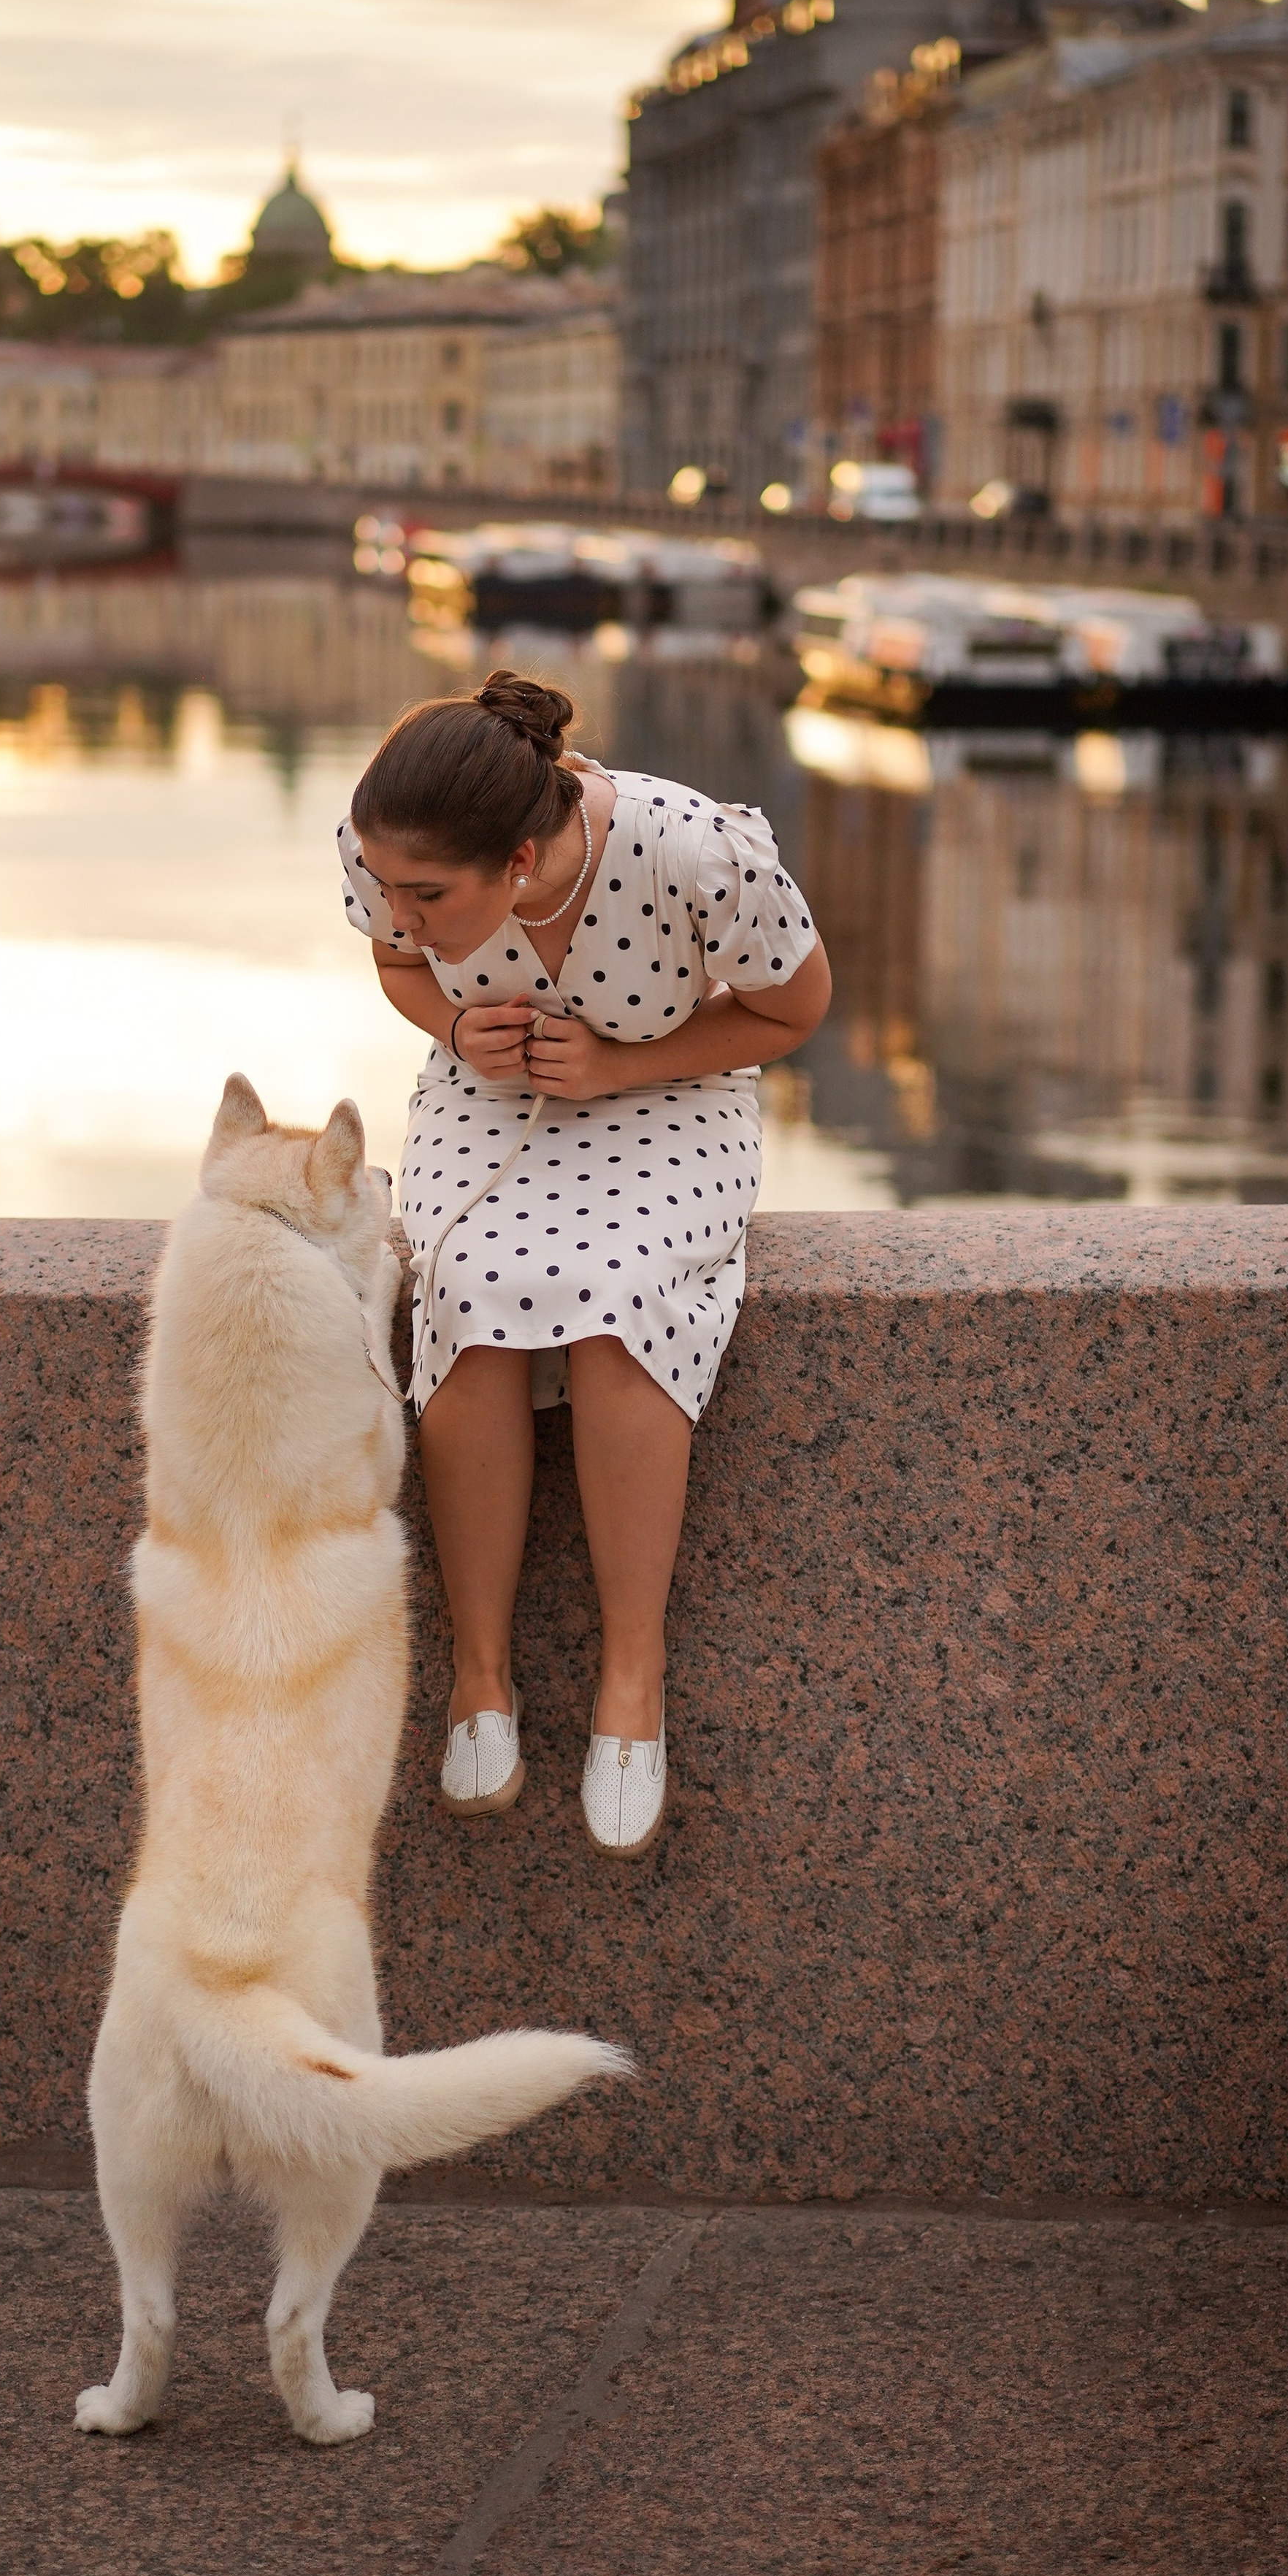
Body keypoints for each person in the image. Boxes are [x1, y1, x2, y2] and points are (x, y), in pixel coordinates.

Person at [338, 668, 830, 1860]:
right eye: (390, 890)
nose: (402, 916)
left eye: (427, 897)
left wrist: (617, 1067)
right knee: (469, 1288)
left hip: (674, 1096)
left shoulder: (694, 856)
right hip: (486, 1098)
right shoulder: (390, 843)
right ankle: (480, 1674)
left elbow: (796, 1010)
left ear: (517, 861)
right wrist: (456, 1026)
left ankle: (631, 1676)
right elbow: (398, 968)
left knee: (616, 1301)